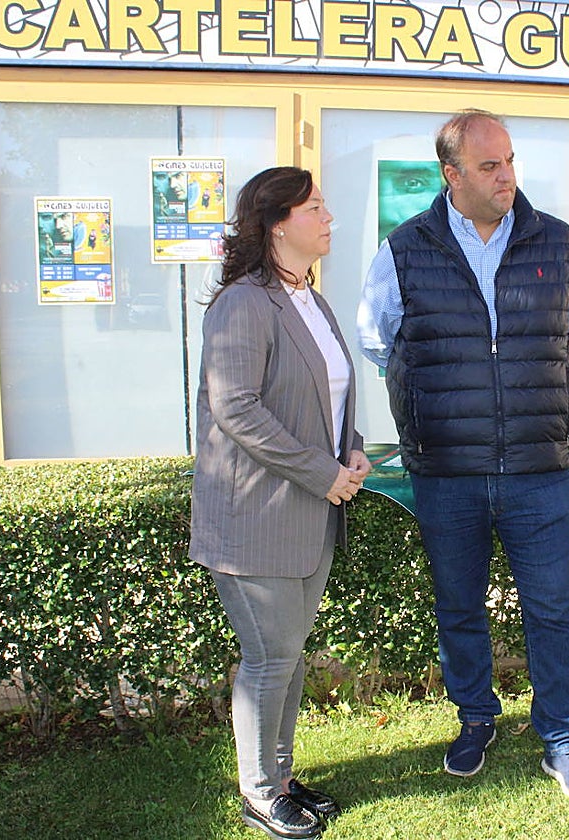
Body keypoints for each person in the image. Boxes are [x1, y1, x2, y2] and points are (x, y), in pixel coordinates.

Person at [357, 109, 569, 799]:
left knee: (552, 608)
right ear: (452, 174)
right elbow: (378, 340)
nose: (507, 177)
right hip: (448, 471)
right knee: (459, 605)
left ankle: (563, 736)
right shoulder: (403, 249)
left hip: (538, 468)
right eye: (490, 166)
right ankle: (475, 718)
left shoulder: (556, 241)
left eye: (511, 161)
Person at [191, 166, 371, 840]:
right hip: (257, 515)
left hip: (310, 509)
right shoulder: (244, 302)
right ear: (277, 223)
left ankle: (283, 779)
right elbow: (234, 406)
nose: (329, 219)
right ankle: (259, 793)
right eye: (316, 208)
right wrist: (322, 471)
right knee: (270, 658)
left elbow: (328, 398)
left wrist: (350, 448)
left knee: (288, 656)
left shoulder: (311, 300)